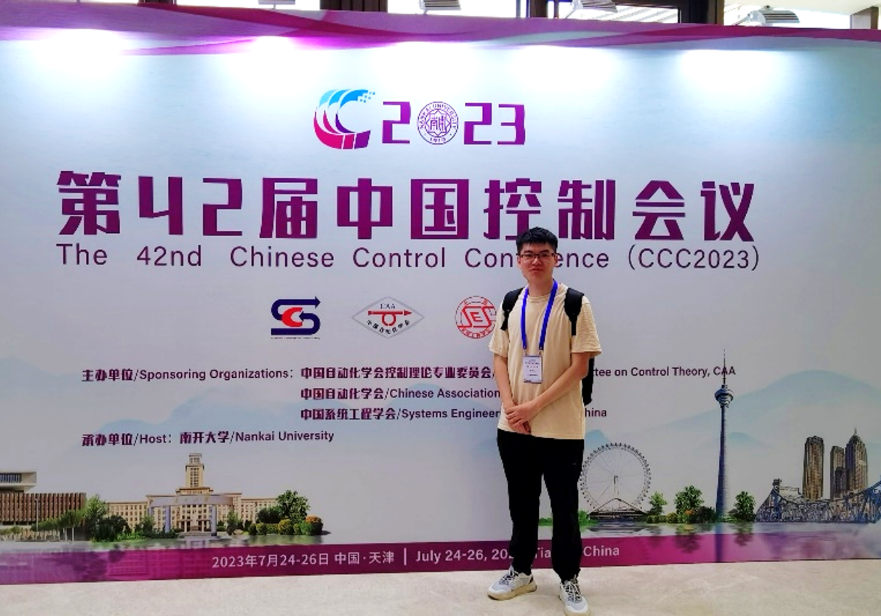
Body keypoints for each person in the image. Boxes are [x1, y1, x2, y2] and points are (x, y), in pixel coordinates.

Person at [487, 227, 601, 616]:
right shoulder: (510, 303)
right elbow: (499, 357)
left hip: (561, 429)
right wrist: (511, 407)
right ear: (518, 260)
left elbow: (580, 367)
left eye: (544, 253)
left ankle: (568, 578)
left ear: (556, 258)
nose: (536, 260)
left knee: (564, 507)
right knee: (521, 504)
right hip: (514, 427)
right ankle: (521, 571)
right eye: (529, 254)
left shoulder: (575, 303)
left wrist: (533, 407)